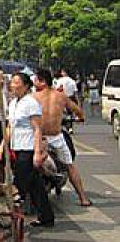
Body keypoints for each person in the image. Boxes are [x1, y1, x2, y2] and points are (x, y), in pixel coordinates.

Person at [0, 72, 54, 228]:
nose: (12, 85)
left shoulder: (31, 102)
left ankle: (11, 218)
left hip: (28, 149)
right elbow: (10, 127)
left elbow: (37, 129)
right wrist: (3, 145)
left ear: (25, 85)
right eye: (12, 82)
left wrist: (37, 152)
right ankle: (46, 217)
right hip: (17, 147)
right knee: (35, 185)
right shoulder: (13, 103)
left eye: (16, 82)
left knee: (19, 185)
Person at [33, 68, 91, 206]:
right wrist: (81, 117)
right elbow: (77, 110)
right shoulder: (60, 96)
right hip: (55, 137)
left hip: (38, 138)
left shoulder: (32, 97)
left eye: (35, 80)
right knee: (70, 166)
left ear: (42, 81)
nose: (34, 82)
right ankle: (83, 198)